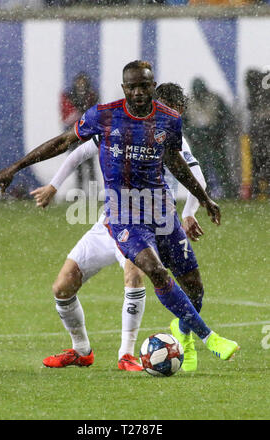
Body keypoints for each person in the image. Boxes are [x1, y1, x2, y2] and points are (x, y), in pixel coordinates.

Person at [0, 60, 240, 369]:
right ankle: (207, 338)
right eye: (131, 86)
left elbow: (176, 163)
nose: (137, 91)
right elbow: (65, 143)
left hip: (161, 213)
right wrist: (15, 168)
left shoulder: (169, 120)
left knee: (194, 286)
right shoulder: (105, 116)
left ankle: (183, 332)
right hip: (124, 216)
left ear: (152, 87)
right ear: (124, 88)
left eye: (143, 86)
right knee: (153, 271)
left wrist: (204, 200)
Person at [31, 82, 207, 372]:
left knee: (135, 274)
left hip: (144, 225)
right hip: (108, 222)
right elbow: (78, 152)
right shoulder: (124, 129)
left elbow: (197, 179)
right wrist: (53, 185)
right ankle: (81, 351)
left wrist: (189, 212)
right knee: (62, 287)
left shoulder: (174, 140)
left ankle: (126, 353)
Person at [183, 78, 234, 199]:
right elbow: (183, 123)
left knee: (221, 166)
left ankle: (229, 192)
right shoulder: (188, 103)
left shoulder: (216, 99)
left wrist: (217, 131)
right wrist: (193, 134)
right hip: (198, 141)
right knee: (199, 168)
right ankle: (203, 193)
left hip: (215, 140)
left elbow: (227, 118)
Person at [60, 72, 98, 191]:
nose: (81, 84)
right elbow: (67, 117)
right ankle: (80, 190)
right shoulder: (70, 96)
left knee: (90, 165)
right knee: (78, 165)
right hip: (76, 135)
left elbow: (96, 113)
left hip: (88, 135)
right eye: (79, 82)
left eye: (83, 82)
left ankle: (93, 192)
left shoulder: (92, 95)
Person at [245, 69, 270, 200]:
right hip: (259, 132)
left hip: (261, 132)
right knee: (259, 161)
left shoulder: (258, 93)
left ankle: (257, 190)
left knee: (259, 161)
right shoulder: (257, 94)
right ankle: (257, 189)